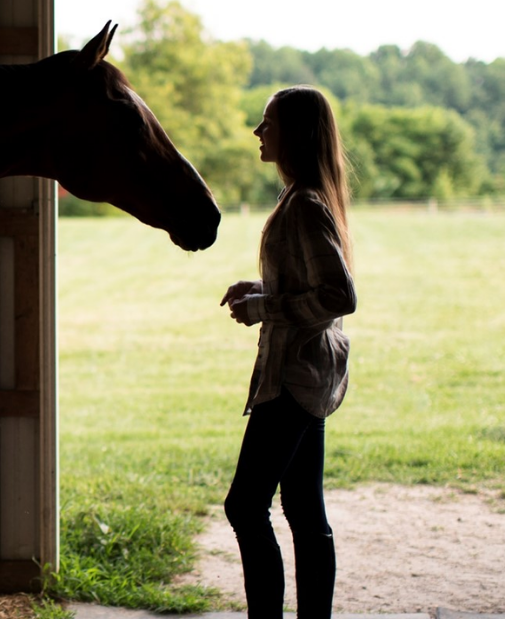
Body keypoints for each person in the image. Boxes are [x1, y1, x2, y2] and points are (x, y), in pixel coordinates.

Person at [218, 85, 357, 618]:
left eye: (268, 122)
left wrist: (264, 308)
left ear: (294, 133)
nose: (258, 131)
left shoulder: (304, 205)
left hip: (294, 381)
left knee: (245, 506)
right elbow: (307, 282)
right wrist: (259, 288)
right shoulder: (301, 197)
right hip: (305, 377)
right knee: (302, 510)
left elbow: (339, 296)